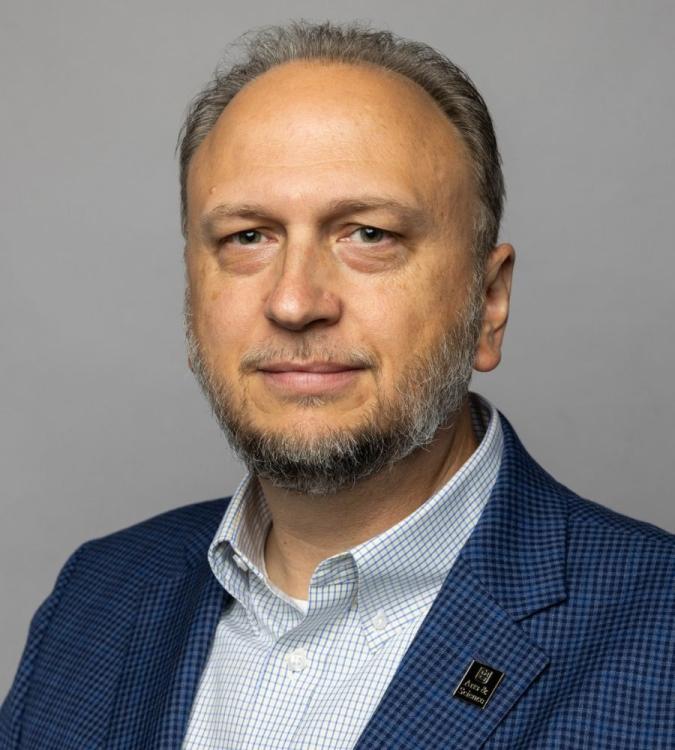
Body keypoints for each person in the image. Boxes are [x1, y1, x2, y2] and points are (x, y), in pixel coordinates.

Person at [2, 20, 673, 750]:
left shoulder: (657, 635)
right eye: (248, 237)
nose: (295, 302)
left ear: (488, 303)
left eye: (368, 234)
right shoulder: (96, 598)